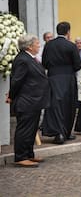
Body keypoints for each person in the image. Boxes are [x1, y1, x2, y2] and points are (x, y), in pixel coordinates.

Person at [7, 34, 50, 167]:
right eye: (37, 43)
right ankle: (20, 157)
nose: (39, 45)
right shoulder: (22, 60)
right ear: (30, 46)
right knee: (24, 130)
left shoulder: (30, 58)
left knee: (31, 130)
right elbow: (16, 81)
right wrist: (11, 96)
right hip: (27, 101)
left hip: (34, 101)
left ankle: (29, 154)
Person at [41, 22, 81, 144]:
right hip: (68, 78)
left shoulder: (49, 45)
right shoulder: (71, 46)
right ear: (68, 32)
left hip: (53, 77)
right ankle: (66, 132)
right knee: (68, 106)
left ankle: (58, 133)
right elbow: (78, 65)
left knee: (55, 106)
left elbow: (44, 63)